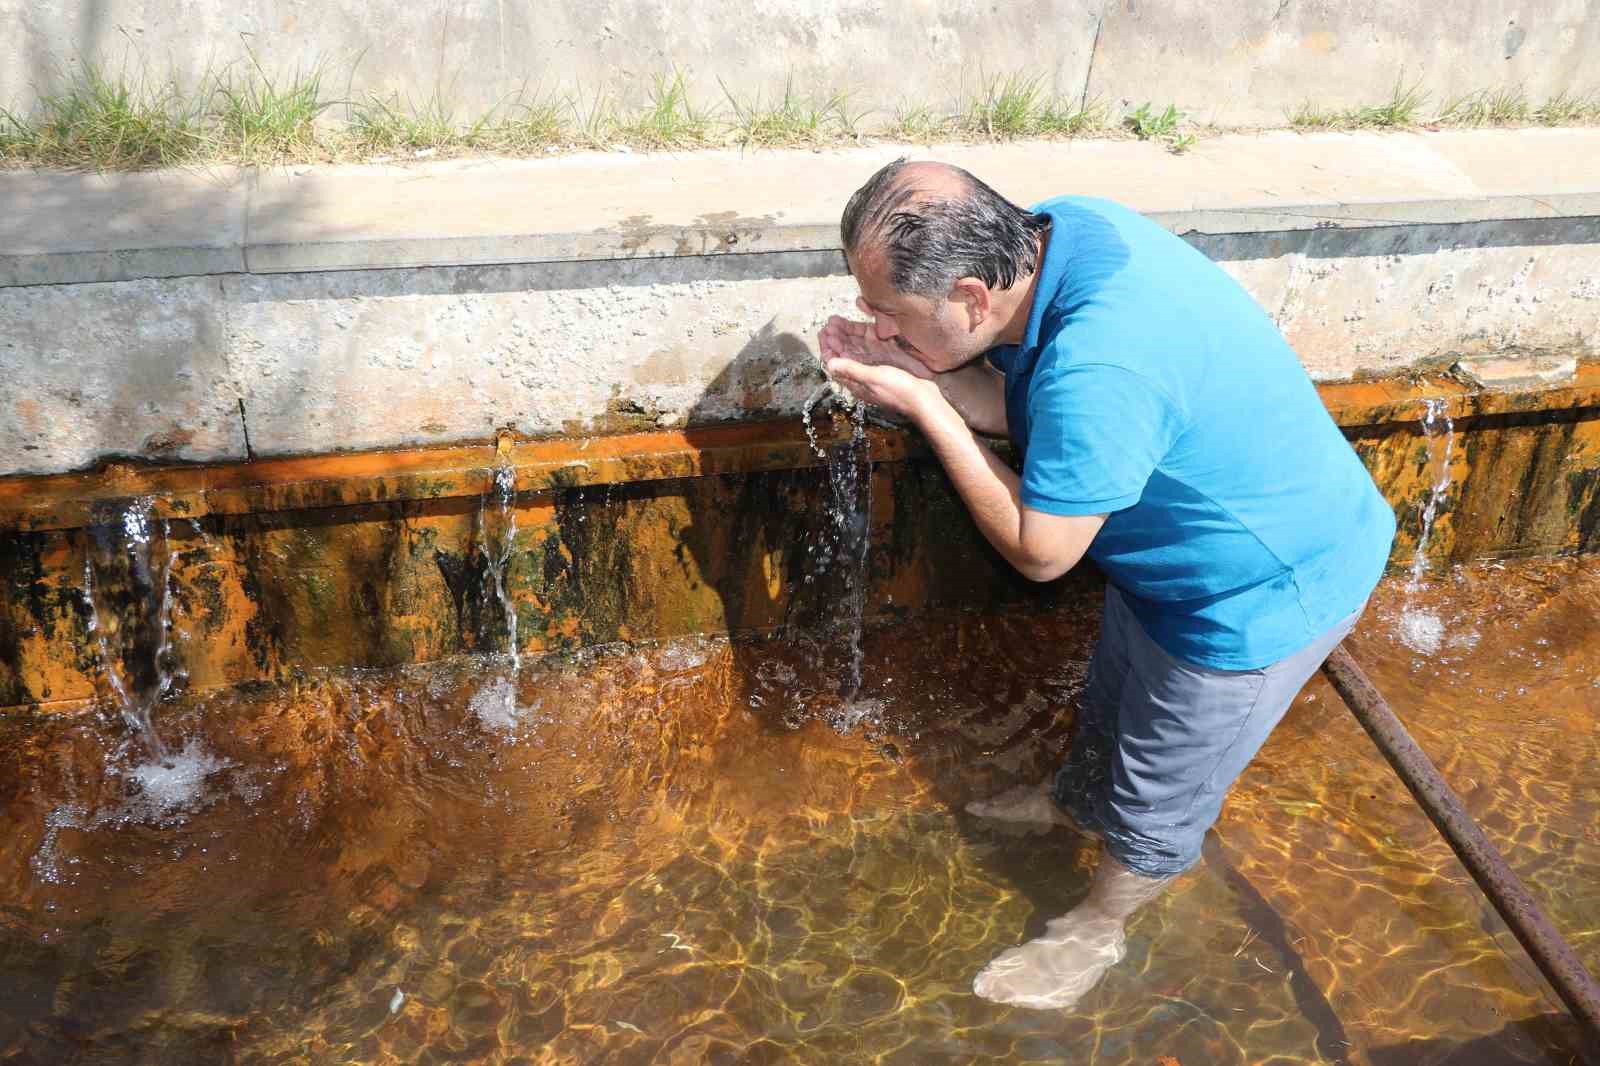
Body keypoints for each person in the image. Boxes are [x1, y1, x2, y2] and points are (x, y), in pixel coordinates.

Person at [817, 159, 1396, 1010]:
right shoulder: (1065, 229)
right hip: (1167, 559)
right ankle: (1072, 800)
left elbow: (1041, 550)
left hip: (1251, 595)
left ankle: (1101, 927)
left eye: (890, 311)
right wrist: (928, 365)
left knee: (1162, 790)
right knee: (1112, 698)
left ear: (975, 297)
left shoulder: (1103, 364)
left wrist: (931, 408)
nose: (874, 320)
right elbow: (1054, 413)